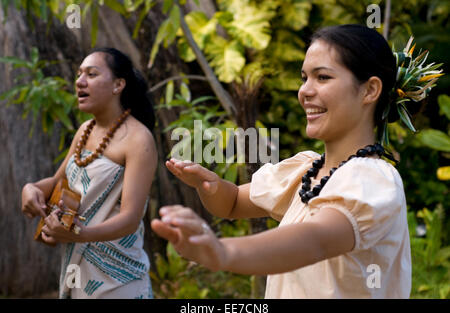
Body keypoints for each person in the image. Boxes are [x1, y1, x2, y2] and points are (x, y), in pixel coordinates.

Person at [150, 24, 433, 298]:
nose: (305, 91)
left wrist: (222, 252)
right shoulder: (307, 170)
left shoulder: (372, 178)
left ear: (370, 90)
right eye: (304, 78)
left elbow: (316, 240)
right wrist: (208, 184)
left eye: (322, 77)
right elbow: (233, 202)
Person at [21, 48, 157, 299]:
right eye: (79, 74)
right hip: (78, 273)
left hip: (119, 279)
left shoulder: (139, 140)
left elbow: (130, 218)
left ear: (118, 85)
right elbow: (57, 181)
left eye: (91, 74)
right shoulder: (86, 129)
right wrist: (32, 189)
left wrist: (80, 234)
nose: (79, 81)